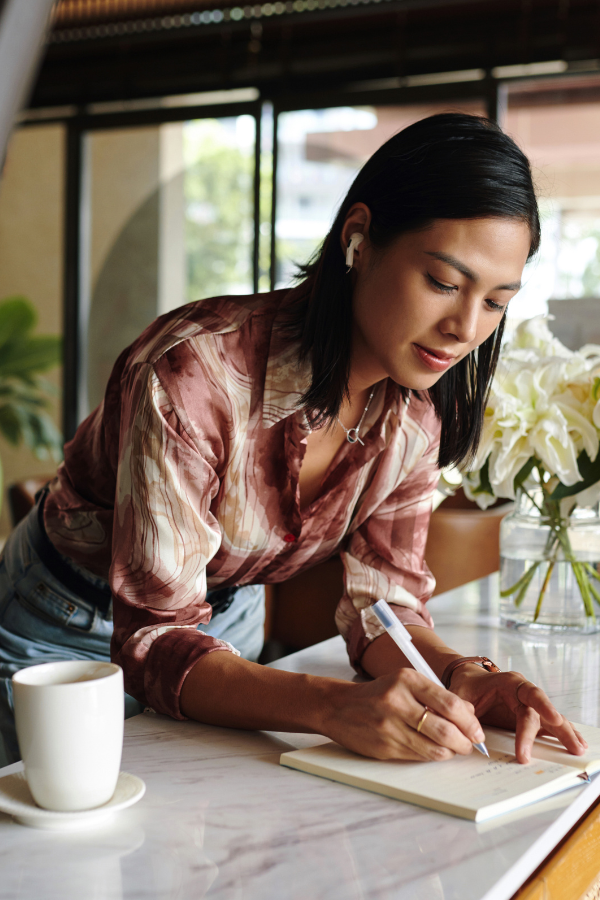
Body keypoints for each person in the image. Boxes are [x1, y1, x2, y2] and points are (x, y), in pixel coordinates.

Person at [0, 113, 587, 770]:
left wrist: (459, 674)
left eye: (496, 301)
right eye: (444, 283)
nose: (464, 327)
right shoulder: (195, 376)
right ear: (359, 237)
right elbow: (155, 639)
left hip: (225, 637)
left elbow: (384, 606)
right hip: (65, 633)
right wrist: (334, 707)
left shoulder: (414, 418)